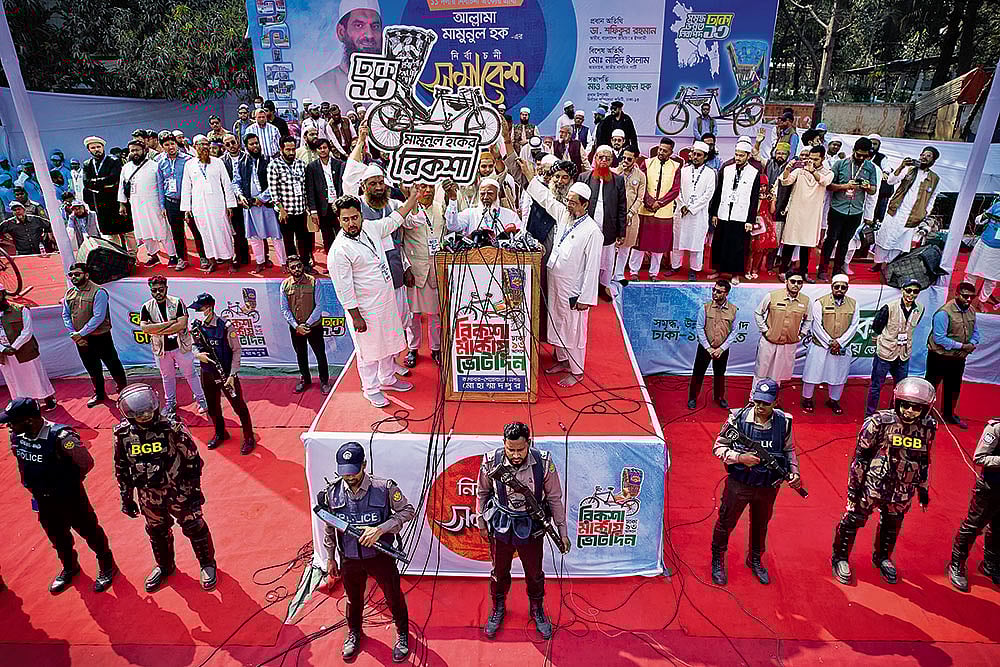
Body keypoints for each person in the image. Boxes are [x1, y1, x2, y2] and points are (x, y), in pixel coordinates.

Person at [4, 397, 116, 594]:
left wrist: (68, 484)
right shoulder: (16, 436)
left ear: (29, 420)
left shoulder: (61, 436)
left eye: (13, 421)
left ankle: (107, 565)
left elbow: (85, 463)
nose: (8, 425)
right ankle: (70, 567)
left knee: (89, 531)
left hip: (69, 497)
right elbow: (20, 460)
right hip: (42, 499)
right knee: (57, 536)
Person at [832, 377, 936, 585]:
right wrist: (854, 491)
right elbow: (860, 458)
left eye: (916, 408)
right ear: (897, 401)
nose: (909, 411)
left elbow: (924, 458)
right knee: (853, 520)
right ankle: (840, 558)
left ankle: (882, 558)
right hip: (873, 486)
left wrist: (923, 488)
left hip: (903, 489)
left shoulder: (928, 426)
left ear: (925, 409)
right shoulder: (879, 422)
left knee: (892, 523)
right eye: (905, 405)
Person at [114, 383, 218, 592]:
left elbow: (193, 460)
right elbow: (121, 467)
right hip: (148, 495)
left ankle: (207, 564)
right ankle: (165, 567)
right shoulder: (123, 434)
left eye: (147, 412)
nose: (144, 416)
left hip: (179, 490)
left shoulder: (172, 427)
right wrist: (126, 497)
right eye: (139, 414)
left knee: (194, 527)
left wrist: (194, 492)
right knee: (156, 532)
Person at [320, 441, 414, 662]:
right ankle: (354, 632)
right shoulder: (331, 493)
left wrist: (380, 529)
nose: (349, 477)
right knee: (353, 599)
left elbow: (408, 511)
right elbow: (329, 526)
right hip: (349, 558)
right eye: (344, 473)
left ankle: (402, 633)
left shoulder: (384, 488)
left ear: (364, 464)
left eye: (353, 472)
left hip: (381, 556)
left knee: (393, 597)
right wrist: (330, 558)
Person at [476, 421, 569, 639]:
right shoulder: (491, 461)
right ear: (504, 444)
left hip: (532, 524)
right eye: (511, 450)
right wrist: (481, 522)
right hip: (501, 523)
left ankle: (536, 609)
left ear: (529, 443)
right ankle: (498, 608)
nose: (516, 455)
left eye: (520, 449)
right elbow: (482, 493)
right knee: (499, 572)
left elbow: (555, 498)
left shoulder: (544, 463)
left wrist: (562, 532)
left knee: (534, 573)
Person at [329, 191, 420, 408]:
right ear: (339, 220)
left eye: (354, 217)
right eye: (346, 219)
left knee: (389, 342)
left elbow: (393, 219)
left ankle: (387, 379)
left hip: (386, 301)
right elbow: (343, 288)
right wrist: (355, 316)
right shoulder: (339, 250)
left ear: (361, 215)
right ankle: (370, 389)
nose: (351, 223)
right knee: (368, 352)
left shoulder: (370, 227)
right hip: (364, 310)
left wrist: (414, 197)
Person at [711, 379, 802, 586]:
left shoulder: (784, 422)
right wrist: (739, 458)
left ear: (776, 402)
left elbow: (789, 450)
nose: (760, 407)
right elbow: (718, 447)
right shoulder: (737, 419)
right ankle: (717, 559)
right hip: (740, 483)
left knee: (761, 524)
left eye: (766, 403)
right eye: (757, 402)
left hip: (768, 486)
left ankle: (755, 559)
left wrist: (794, 472)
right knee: (726, 521)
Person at [523, 165, 603, 387]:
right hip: (555, 280)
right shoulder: (565, 217)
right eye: (568, 200)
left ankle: (577, 371)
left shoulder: (592, 231)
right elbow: (547, 199)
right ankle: (562, 359)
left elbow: (592, 267)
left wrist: (585, 298)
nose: (568, 204)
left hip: (574, 290)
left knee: (574, 330)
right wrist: (530, 175)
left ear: (585, 205)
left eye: (573, 202)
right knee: (556, 321)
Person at [188, 293, 256, 453]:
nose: (197, 312)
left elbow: (237, 351)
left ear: (209, 308)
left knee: (238, 406)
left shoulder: (226, 326)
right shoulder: (196, 325)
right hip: (207, 373)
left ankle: (249, 437)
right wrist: (197, 354)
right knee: (212, 407)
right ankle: (220, 433)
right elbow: (192, 344)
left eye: (200, 309)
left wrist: (232, 375)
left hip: (226, 375)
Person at [139, 276, 207, 416]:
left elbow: (181, 325)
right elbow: (145, 329)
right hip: (161, 349)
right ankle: (170, 403)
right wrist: (169, 323)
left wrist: (156, 328)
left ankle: (201, 400)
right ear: (151, 291)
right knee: (167, 377)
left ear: (166, 289)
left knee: (190, 374)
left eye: (161, 289)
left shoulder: (177, 302)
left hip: (180, 346)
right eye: (154, 290)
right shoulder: (146, 307)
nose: (158, 293)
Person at [62, 264, 128, 407]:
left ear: (86, 275)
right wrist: (73, 333)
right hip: (81, 339)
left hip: (100, 337)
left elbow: (98, 317)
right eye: (71, 274)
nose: (74, 277)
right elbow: (65, 315)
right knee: (91, 366)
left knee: (112, 363)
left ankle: (124, 390)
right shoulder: (69, 293)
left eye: (77, 274)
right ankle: (99, 394)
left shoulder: (99, 292)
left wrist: (80, 333)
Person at [948, 419, 1000, 591]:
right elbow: (979, 457)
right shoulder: (996, 428)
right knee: (973, 526)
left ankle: (990, 564)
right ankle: (956, 565)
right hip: (991, 487)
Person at [872, 147, 942, 271]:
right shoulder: (908, 169)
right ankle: (878, 262)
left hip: (914, 215)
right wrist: (901, 166)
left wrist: (926, 212)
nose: (924, 157)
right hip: (896, 211)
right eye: (923, 154)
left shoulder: (934, 179)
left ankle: (890, 265)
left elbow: (933, 197)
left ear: (933, 161)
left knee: (901, 242)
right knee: (885, 237)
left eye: (928, 156)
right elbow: (890, 181)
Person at [400, 181, 445, 368]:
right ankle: (413, 348)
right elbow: (399, 242)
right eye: (422, 187)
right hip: (415, 270)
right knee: (413, 315)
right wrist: (406, 268)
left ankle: (436, 348)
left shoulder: (441, 208)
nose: (427, 191)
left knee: (435, 314)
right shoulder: (406, 210)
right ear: (414, 189)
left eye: (431, 187)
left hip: (435, 269)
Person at [312, 0, 384, 114]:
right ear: (341, 32)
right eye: (359, 25)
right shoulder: (320, 87)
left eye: (375, 26)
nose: (369, 35)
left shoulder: (397, 81)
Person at [864, 279, 924, 416]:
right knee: (876, 386)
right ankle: (870, 414)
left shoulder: (920, 308)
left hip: (904, 354)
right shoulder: (889, 307)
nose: (911, 294)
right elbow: (877, 326)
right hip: (886, 353)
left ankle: (895, 413)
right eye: (909, 290)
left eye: (915, 291)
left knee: (901, 387)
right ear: (902, 290)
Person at [819, 137, 877, 279]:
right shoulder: (840, 164)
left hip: (856, 211)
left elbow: (874, 190)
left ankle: (837, 271)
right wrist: (845, 186)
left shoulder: (870, 167)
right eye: (859, 155)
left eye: (865, 156)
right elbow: (829, 186)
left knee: (845, 242)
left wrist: (867, 187)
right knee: (830, 240)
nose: (861, 158)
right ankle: (822, 269)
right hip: (838, 209)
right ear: (853, 151)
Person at [924, 281, 979, 429]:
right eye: (965, 296)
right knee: (931, 385)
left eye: (971, 297)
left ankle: (949, 414)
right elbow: (939, 338)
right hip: (939, 357)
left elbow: (975, 331)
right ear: (956, 294)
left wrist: (972, 343)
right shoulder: (944, 313)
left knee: (954, 387)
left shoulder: (971, 310)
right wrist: (963, 346)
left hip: (958, 358)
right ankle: (924, 414)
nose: (968, 300)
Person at [801, 275, 859, 414]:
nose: (839, 290)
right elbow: (816, 326)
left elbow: (854, 325)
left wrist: (840, 342)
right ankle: (807, 399)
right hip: (820, 345)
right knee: (812, 373)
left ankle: (833, 400)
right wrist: (829, 342)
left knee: (838, 374)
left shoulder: (854, 304)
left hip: (841, 346)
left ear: (847, 288)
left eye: (843, 287)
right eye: (837, 287)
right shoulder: (820, 303)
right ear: (832, 287)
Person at [181, 135, 238, 273]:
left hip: (217, 204)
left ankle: (230, 261)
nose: (204, 147)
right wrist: (186, 209)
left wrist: (230, 204)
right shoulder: (189, 165)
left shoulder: (218, 162)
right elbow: (186, 187)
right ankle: (212, 261)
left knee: (223, 232)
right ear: (195, 147)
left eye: (206, 144)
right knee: (205, 234)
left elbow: (226, 184)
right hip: (199, 206)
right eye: (200, 145)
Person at [709, 137, 761, 285]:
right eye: (736, 154)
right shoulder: (727, 169)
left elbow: (754, 198)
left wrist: (750, 220)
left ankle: (735, 274)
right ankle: (718, 270)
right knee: (720, 242)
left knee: (738, 246)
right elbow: (718, 192)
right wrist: (714, 213)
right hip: (724, 212)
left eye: (741, 155)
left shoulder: (754, 172)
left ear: (748, 156)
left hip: (741, 215)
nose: (738, 158)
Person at [577, 145, 626, 301]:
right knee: (587, 258)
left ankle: (603, 286)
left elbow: (621, 207)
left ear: (612, 161)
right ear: (595, 159)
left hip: (609, 228)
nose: (604, 161)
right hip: (587, 228)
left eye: (608, 158)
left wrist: (621, 232)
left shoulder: (618, 180)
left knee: (606, 260)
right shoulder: (584, 177)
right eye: (600, 157)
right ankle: (586, 288)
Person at [778, 145, 833, 280]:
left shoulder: (828, 173)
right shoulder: (799, 171)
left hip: (812, 215)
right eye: (810, 158)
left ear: (823, 158)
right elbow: (785, 181)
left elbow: (824, 182)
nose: (812, 161)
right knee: (789, 242)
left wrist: (813, 171)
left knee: (806, 245)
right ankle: (782, 271)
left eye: (816, 159)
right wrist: (788, 169)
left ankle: (804, 273)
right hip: (796, 212)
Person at [119, 139, 177, 267]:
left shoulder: (155, 166)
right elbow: (122, 186)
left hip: (154, 204)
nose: (134, 153)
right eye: (132, 150)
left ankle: (172, 255)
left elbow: (162, 186)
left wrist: (163, 205)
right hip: (136, 204)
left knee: (162, 230)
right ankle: (154, 255)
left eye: (137, 150)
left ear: (144, 150)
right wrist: (122, 204)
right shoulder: (126, 168)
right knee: (144, 231)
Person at [234, 133, 287, 271]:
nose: (255, 146)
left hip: (267, 205)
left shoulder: (269, 160)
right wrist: (240, 196)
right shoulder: (241, 162)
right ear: (246, 147)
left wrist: (262, 198)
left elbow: (275, 183)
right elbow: (236, 182)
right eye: (251, 144)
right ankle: (260, 262)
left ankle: (283, 263)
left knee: (276, 235)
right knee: (254, 237)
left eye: (256, 143)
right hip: (250, 206)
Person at [280, 255, 331, 393]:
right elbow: (284, 309)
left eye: (299, 266)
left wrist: (306, 325)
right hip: (296, 328)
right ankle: (305, 380)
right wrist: (296, 326)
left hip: (314, 326)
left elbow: (319, 306)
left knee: (320, 354)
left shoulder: (314, 282)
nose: (297, 269)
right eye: (293, 267)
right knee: (300, 354)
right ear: (288, 269)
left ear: (303, 266)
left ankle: (324, 381)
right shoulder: (284, 285)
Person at [753, 273, 812, 391]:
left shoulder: (806, 301)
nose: (796, 285)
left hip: (788, 344)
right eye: (793, 281)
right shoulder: (772, 296)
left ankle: (771, 401)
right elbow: (758, 313)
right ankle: (754, 400)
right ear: (786, 282)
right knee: (761, 373)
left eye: (799, 282)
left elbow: (808, 319)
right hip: (769, 341)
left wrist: (801, 335)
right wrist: (765, 330)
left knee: (778, 375)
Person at [0, 289, 55, 409]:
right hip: (4, 354)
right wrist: (3, 349)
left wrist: (14, 347)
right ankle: (22, 405)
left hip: (24, 350)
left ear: (3, 294)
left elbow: (27, 332)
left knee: (35, 375)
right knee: (14, 380)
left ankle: (48, 398)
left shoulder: (21, 309)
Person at [636, 138, 681, 279]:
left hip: (664, 212)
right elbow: (641, 184)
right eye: (660, 149)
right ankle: (633, 272)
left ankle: (654, 273)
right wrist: (649, 201)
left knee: (659, 246)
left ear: (671, 152)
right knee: (639, 244)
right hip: (645, 209)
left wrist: (659, 203)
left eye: (665, 150)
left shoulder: (676, 166)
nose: (661, 152)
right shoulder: (647, 163)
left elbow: (675, 190)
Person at [688, 280, 738, 410]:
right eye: (714, 290)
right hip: (705, 348)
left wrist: (722, 348)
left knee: (720, 374)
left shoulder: (733, 310)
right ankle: (692, 397)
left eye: (719, 291)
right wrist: (708, 347)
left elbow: (734, 332)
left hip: (722, 349)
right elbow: (699, 328)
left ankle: (719, 397)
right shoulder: (705, 308)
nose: (715, 293)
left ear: (726, 293)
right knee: (698, 373)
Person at [670, 140, 716, 280]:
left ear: (705, 157)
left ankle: (694, 269)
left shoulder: (710, 173)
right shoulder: (683, 171)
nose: (695, 157)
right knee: (677, 241)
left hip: (698, 214)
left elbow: (709, 194)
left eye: (699, 155)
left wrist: (691, 208)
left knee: (696, 242)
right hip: (681, 211)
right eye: (694, 154)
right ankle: (675, 266)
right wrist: (683, 205)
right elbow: (676, 190)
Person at [157, 133, 203, 270]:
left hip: (188, 202)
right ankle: (181, 258)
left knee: (196, 230)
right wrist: (162, 205)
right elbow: (160, 184)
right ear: (162, 146)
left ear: (176, 144)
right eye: (166, 145)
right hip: (171, 201)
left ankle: (204, 257)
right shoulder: (160, 162)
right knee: (176, 232)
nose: (170, 147)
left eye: (172, 143)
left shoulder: (189, 160)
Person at [268, 136, 314, 270]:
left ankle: (305, 263)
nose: (291, 152)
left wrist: (307, 208)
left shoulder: (300, 164)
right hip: (285, 212)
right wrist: (281, 210)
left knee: (303, 238)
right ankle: (293, 265)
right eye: (288, 149)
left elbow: (305, 187)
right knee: (288, 240)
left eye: (293, 149)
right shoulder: (274, 166)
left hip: (300, 210)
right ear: (281, 149)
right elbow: (273, 191)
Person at [83, 135, 133, 252]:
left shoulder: (114, 160)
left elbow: (114, 178)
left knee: (127, 231)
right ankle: (119, 255)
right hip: (100, 204)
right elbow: (86, 183)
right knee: (110, 233)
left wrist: (95, 182)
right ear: (89, 150)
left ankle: (132, 254)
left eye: (98, 147)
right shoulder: (87, 164)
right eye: (93, 147)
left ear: (103, 147)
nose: (96, 149)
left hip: (117, 200)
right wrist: (104, 183)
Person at [305, 138, 345, 253]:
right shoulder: (312, 167)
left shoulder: (339, 164)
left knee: (341, 233)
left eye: (325, 148)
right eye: (320, 148)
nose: (322, 150)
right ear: (316, 150)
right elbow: (310, 190)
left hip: (338, 205)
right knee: (327, 237)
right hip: (323, 207)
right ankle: (331, 263)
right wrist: (313, 210)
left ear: (329, 149)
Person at [613, 147, 646, 281]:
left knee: (625, 248)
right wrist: (620, 170)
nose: (625, 161)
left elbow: (640, 198)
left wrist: (631, 213)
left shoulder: (640, 175)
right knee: (610, 248)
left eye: (629, 159)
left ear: (635, 159)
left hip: (630, 217)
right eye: (623, 158)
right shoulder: (615, 172)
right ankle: (607, 275)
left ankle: (619, 275)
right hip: (614, 215)